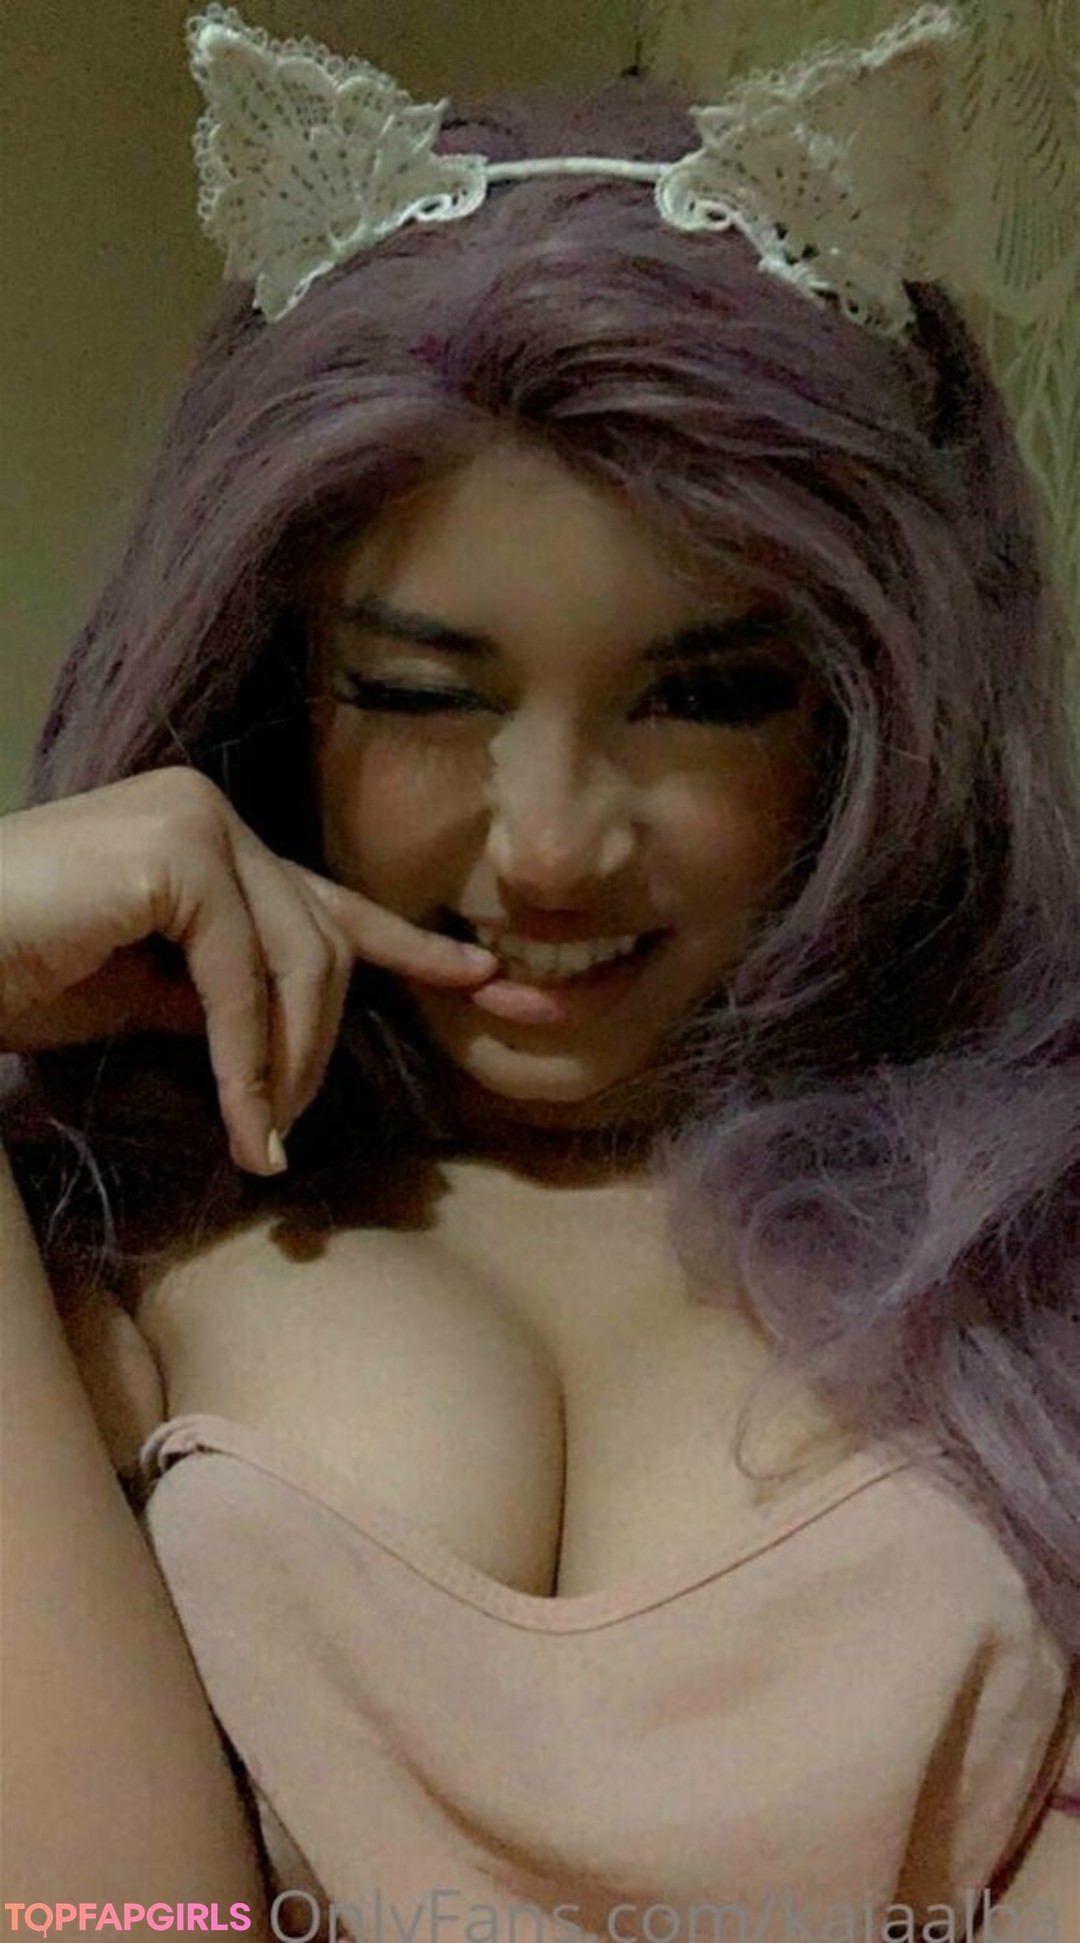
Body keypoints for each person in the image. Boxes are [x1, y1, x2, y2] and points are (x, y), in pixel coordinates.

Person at [1, 4, 1078, 1932]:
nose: (558, 841)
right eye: (425, 696)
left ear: (866, 719)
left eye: (708, 698)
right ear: (274, 684)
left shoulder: (1032, 1247)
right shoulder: (99, 1214)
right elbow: (100, 1925)